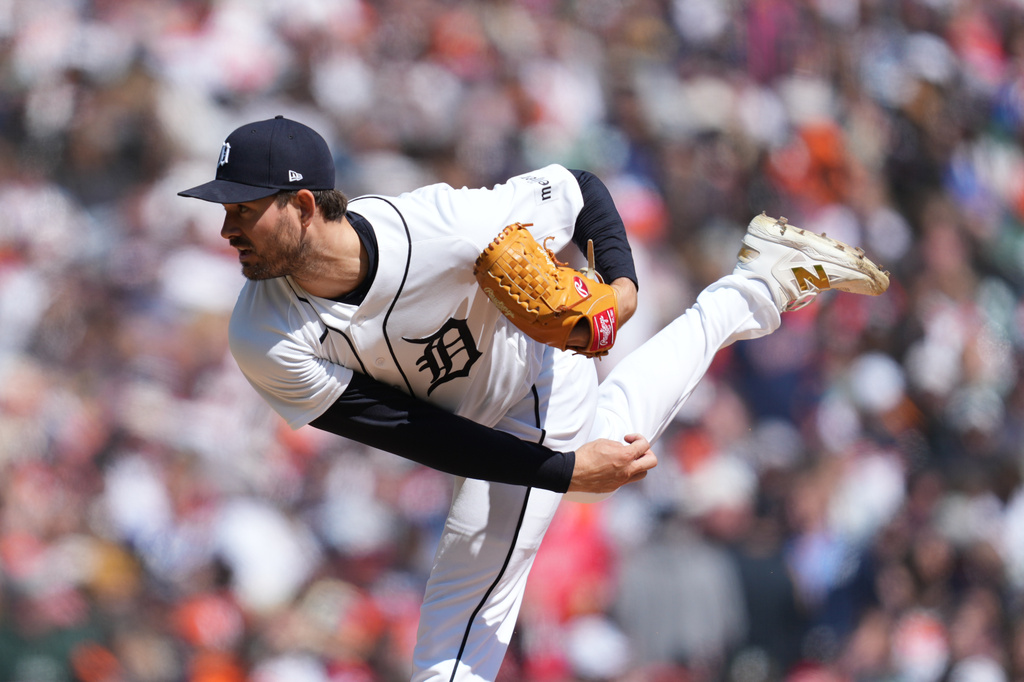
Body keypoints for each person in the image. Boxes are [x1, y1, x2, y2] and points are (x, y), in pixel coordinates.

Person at [178, 116, 888, 681]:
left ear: (303, 205)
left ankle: (753, 293)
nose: (226, 229)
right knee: (595, 462)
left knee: (463, 610)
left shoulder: (437, 225)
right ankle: (756, 288)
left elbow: (578, 188)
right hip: (471, 422)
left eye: (243, 209)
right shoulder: (263, 332)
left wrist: (625, 288)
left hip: (536, 381)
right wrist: (567, 472)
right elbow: (412, 431)